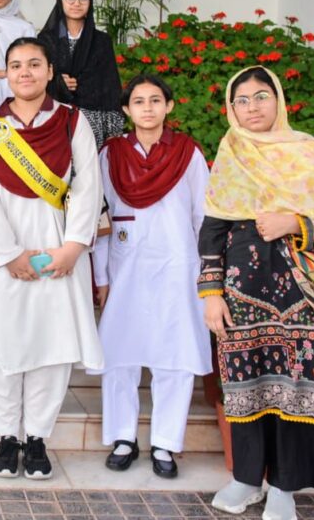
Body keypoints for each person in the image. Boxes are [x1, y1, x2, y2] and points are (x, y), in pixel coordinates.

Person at [200, 66, 314, 520]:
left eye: (261, 96)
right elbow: (212, 229)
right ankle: (246, 479)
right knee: (245, 382)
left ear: (278, 99)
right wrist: (211, 293)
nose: (252, 107)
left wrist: (294, 222)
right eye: (241, 100)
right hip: (242, 294)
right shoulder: (231, 152)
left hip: (302, 293)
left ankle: (284, 488)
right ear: (231, 108)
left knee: (297, 386)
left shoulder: (310, 153)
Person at [0, 37, 103, 480]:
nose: (25, 72)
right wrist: (9, 254)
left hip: (59, 251)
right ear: (7, 73)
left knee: (51, 345)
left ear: (50, 71)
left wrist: (73, 246)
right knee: (1, 343)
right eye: (16, 65)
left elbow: (88, 185)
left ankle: (36, 437)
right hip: (3, 256)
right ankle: (6, 436)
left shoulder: (73, 121)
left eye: (34, 64)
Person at [92, 74, 211, 479]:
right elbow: (100, 217)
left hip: (178, 266)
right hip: (125, 267)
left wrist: (207, 274)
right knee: (118, 356)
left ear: (169, 106)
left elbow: (203, 215)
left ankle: (165, 442)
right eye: (139, 101)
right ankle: (122, 438)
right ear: (126, 110)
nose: (147, 108)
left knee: (174, 356)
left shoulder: (187, 153)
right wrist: (101, 277)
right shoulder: (111, 154)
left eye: (155, 100)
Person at [38, 0, 124, 148]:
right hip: (54, 118)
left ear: (90, 2)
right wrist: (57, 82)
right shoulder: (46, 40)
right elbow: (37, 79)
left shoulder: (101, 41)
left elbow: (111, 87)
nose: (77, 3)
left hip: (93, 120)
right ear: (60, 0)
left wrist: (113, 133)